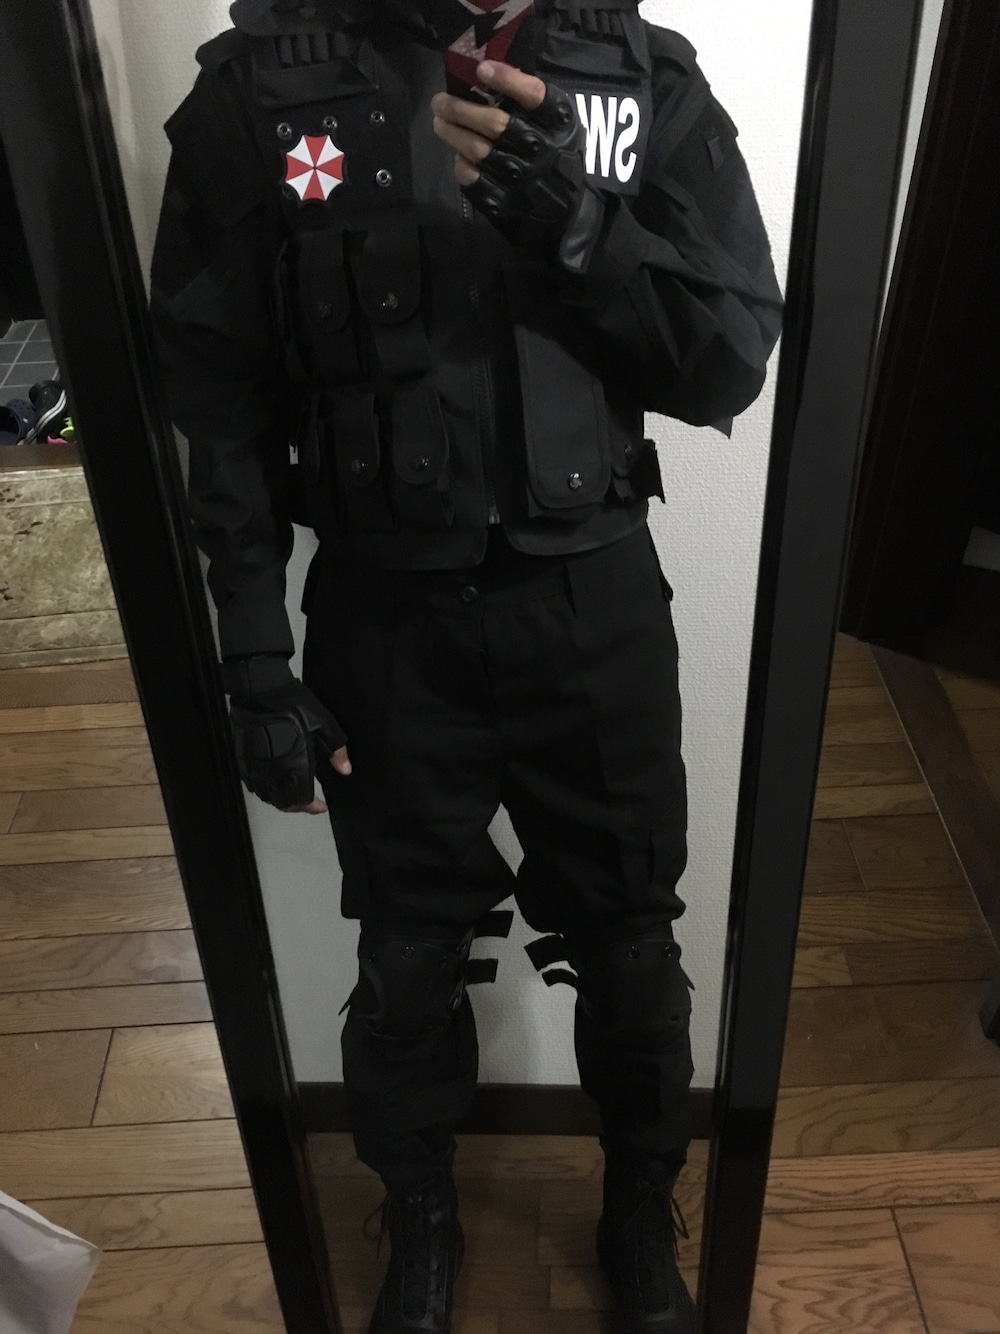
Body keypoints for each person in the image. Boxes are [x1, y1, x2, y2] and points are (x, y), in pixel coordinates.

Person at [150, 2, 782, 1330]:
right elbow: (217, 400)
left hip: (592, 606)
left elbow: (729, 358)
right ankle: (421, 1222)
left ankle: (639, 1211)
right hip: (386, 619)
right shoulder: (264, 87)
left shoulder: (638, 77)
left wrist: (581, 227)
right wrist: (253, 653)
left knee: (633, 959)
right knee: (405, 963)